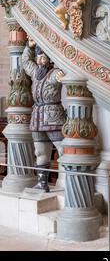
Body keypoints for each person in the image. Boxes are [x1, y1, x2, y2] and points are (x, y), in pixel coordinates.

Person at [22, 38, 65, 192]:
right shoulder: (35, 73)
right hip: (37, 117)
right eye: (39, 57)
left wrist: (61, 74)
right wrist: (30, 47)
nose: (40, 60)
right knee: (40, 152)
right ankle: (42, 183)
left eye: (44, 57)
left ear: (49, 60)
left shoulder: (54, 73)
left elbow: (62, 74)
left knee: (62, 150)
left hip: (54, 116)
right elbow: (26, 62)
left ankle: (66, 182)